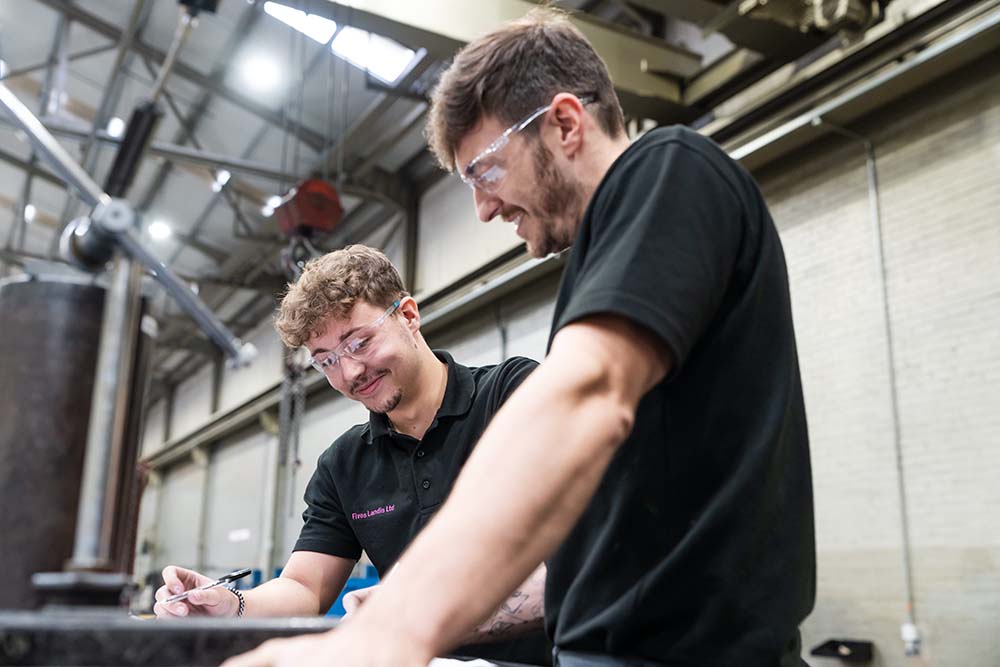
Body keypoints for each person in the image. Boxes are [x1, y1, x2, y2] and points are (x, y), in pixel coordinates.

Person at [224, 7, 815, 667]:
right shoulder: (603, 261)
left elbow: (581, 397)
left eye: (485, 171)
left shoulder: (668, 170)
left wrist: (388, 630)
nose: (481, 208)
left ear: (564, 122)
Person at [154, 245, 548, 663]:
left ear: (409, 316)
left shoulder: (511, 395)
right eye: (326, 362)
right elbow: (305, 588)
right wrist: (232, 603)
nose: (349, 373)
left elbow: (578, 554)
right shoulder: (344, 464)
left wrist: (412, 615)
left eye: (359, 342)